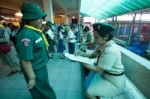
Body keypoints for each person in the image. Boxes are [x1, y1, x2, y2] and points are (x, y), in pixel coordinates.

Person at [16, 2, 56, 99]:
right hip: (35, 70)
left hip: (41, 67)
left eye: (41, 18)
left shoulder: (35, 31)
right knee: (44, 94)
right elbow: (25, 59)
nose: (41, 20)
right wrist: (32, 77)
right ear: (29, 19)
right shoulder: (26, 35)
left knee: (45, 89)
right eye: (37, 18)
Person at [76, 23, 126, 99]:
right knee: (87, 81)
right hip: (105, 76)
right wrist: (81, 53)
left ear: (106, 37)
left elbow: (98, 69)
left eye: (96, 37)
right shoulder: (103, 44)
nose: (95, 40)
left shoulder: (111, 50)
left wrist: (82, 62)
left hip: (114, 83)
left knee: (89, 93)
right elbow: (92, 55)